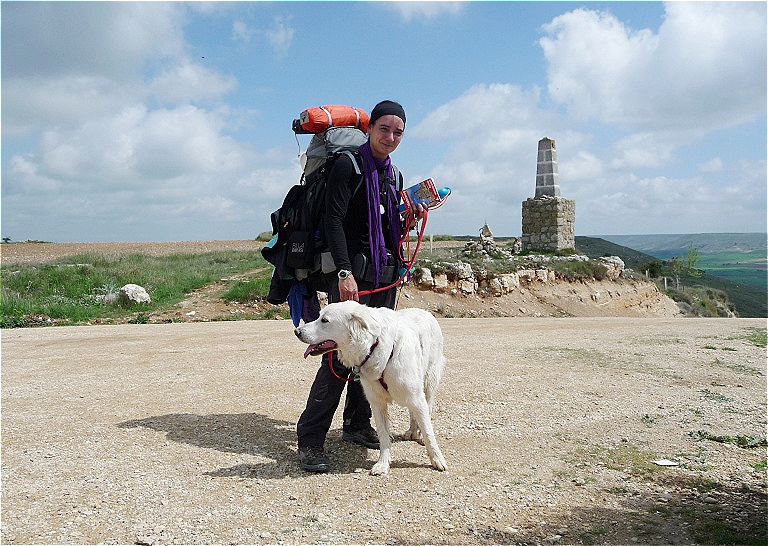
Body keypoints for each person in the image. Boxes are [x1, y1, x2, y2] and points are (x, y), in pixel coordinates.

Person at [296, 100, 423, 473]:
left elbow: (389, 228)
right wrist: (343, 273)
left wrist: (410, 218)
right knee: (338, 356)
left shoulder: (393, 176)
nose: (391, 137)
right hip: (352, 278)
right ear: (370, 129)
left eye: (398, 132)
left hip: (384, 275)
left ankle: (356, 425)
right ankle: (311, 440)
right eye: (384, 129)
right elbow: (334, 221)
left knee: (373, 354)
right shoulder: (347, 166)